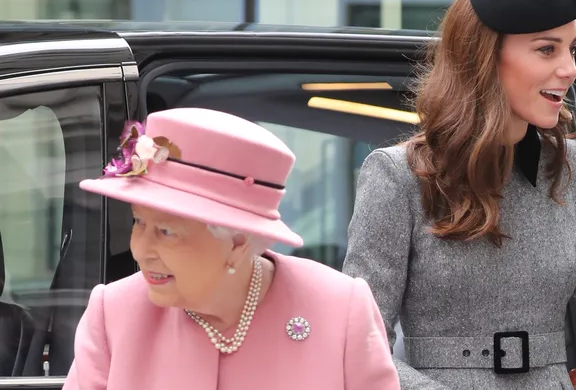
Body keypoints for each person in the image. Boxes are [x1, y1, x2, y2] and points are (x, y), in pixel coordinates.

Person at [341, 0, 576, 389]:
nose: (570, 68)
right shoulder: (397, 177)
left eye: (573, 49)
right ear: (486, 57)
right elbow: (360, 341)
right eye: (547, 49)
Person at [62, 108, 400, 390]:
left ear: (237, 242)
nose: (140, 249)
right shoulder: (115, 314)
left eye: (166, 231)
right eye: (138, 222)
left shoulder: (340, 312)